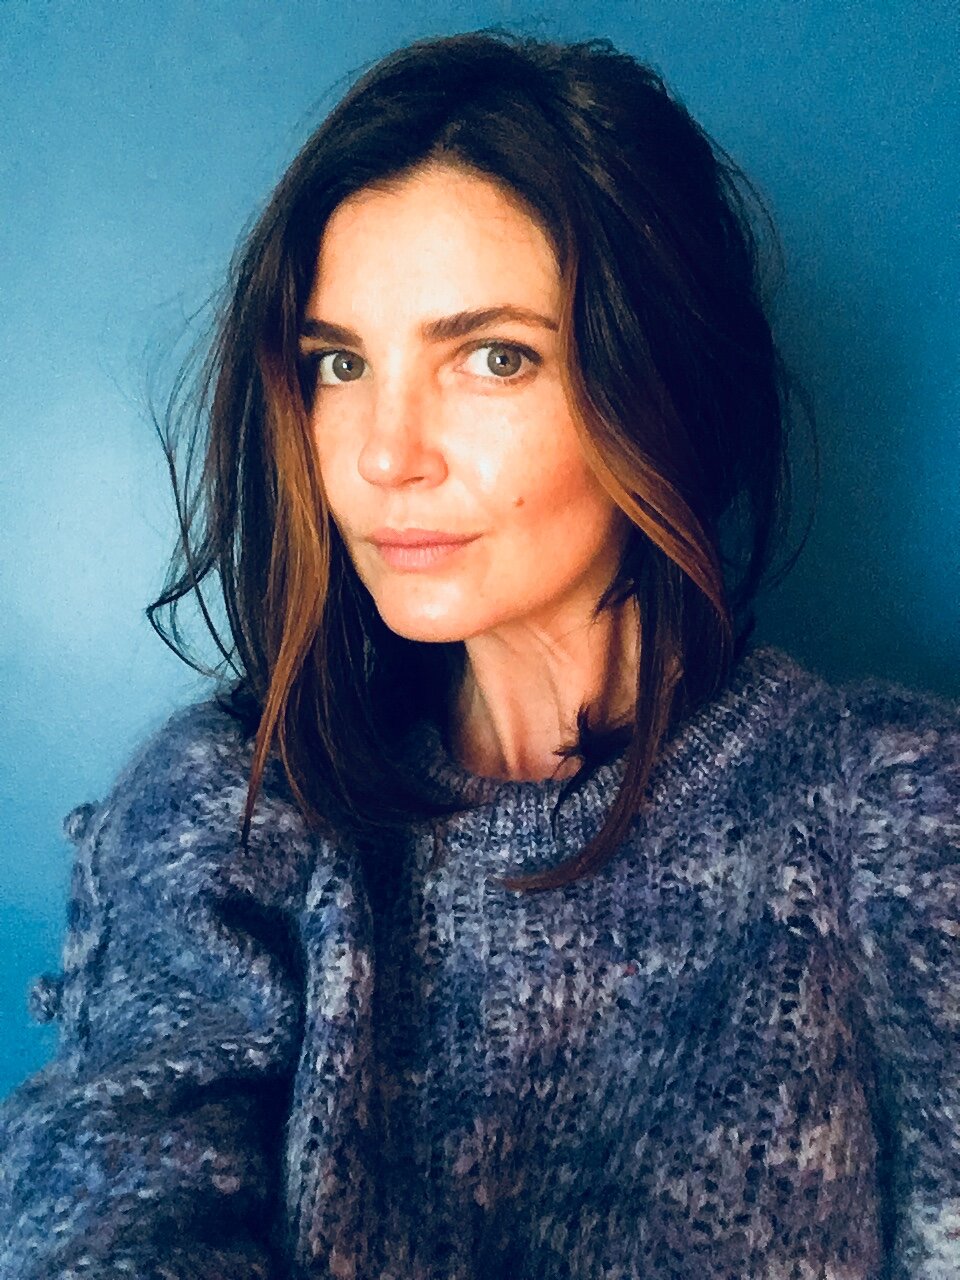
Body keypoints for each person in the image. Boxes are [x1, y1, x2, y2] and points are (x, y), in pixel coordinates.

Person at [1, 27, 957, 1280]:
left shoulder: (894, 811)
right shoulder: (226, 818)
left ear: (665, 382)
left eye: (493, 357)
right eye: (340, 362)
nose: (384, 452)